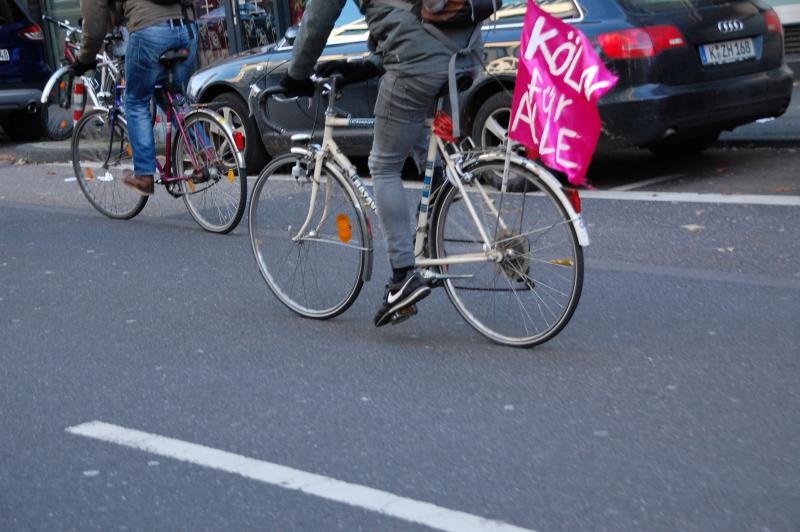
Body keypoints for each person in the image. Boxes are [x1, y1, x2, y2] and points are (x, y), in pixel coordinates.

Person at [280, 0, 481, 327]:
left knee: (384, 164)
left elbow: (319, 16)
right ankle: (435, 210)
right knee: (412, 130)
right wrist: (371, 63)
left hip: (418, 61)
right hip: (465, 54)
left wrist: (296, 74)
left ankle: (403, 276)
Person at [72, 0, 197, 196]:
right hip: (187, 28)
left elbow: (94, 19)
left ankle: (144, 176)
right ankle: (206, 155)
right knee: (173, 96)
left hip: (150, 31)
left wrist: (85, 59)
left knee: (136, 101)